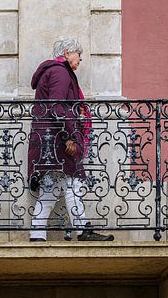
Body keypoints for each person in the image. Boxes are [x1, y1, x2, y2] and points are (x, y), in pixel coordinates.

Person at [27, 37, 114, 242]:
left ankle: (37, 234)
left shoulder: (52, 72)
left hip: (47, 138)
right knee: (72, 182)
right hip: (58, 139)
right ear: (67, 53)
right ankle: (83, 230)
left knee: (51, 187)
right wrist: (69, 137)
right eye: (78, 54)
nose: (80, 59)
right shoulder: (60, 71)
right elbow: (57, 106)